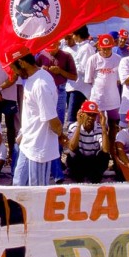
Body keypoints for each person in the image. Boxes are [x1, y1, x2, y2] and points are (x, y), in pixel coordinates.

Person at [7, 46, 61, 186]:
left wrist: (61, 136)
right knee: (17, 186)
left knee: (36, 191)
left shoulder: (40, 85)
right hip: (27, 143)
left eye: (14, 68)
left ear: (22, 63)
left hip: (39, 148)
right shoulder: (31, 79)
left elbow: (53, 121)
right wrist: (23, 133)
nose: (13, 72)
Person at [36, 40, 77, 183]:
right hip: (44, 90)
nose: (51, 52)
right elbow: (31, 71)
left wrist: (60, 71)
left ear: (59, 45)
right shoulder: (41, 55)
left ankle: (56, 161)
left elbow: (74, 76)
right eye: (49, 49)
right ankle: (47, 162)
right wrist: (41, 69)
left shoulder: (66, 56)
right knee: (44, 124)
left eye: (53, 49)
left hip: (60, 90)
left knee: (57, 126)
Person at [85, 34, 122, 155]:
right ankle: (95, 150)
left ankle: (111, 152)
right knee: (95, 126)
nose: (106, 51)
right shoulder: (93, 59)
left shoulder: (118, 59)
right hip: (97, 99)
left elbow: (119, 79)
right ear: (99, 47)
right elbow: (89, 80)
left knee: (113, 126)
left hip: (113, 99)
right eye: (103, 48)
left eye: (108, 48)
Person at [64, 100, 111, 183]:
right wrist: (79, 125)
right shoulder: (73, 127)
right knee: (72, 155)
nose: (91, 117)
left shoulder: (99, 128)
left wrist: (104, 127)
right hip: (80, 160)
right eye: (88, 114)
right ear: (82, 114)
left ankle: (93, 176)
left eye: (94, 115)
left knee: (104, 156)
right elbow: (71, 147)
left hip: (93, 160)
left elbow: (106, 150)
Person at [66, 26, 94, 125]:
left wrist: (70, 67)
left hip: (80, 88)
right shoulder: (84, 47)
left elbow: (85, 69)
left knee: (72, 118)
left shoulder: (85, 49)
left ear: (78, 35)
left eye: (73, 34)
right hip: (77, 86)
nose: (72, 37)